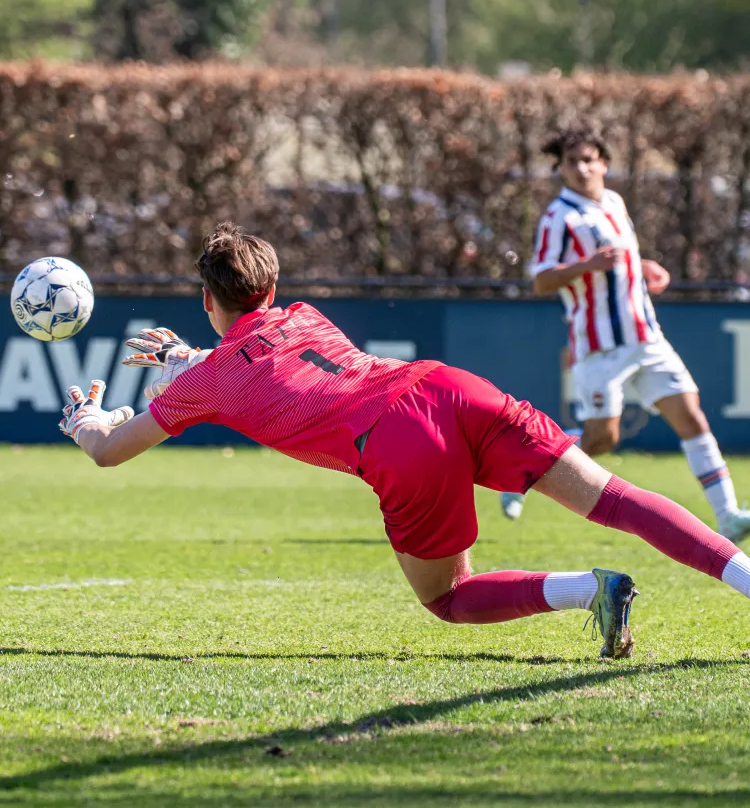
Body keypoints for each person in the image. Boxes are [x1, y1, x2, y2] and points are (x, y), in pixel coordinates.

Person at [58, 222, 750, 660]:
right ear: (272, 287)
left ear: (207, 300)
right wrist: (185, 360)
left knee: (450, 597)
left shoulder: (208, 380)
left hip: (397, 443)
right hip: (449, 387)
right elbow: (264, 359)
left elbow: (111, 450)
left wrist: (88, 420)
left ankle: (591, 591)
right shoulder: (305, 316)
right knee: (616, 497)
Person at [501, 127, 750, 544]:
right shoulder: (559, 217)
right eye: (571, 162)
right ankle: (522, 471)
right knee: (602, 438)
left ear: (603, 163)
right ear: (561, 169)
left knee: (691, 416)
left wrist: (642, 266)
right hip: (600, 346)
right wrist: (587, 265)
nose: (581, 168)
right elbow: (541, 280)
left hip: (647, 336)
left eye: (588, 159)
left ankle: (728, 517)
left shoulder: (614, 202)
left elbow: (619, 258)